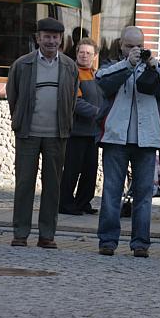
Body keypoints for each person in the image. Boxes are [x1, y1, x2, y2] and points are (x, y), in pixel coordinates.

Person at [95, 26, 160, 257]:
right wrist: (128, 65)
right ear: (121, 45)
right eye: (130, 46)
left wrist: (155, 65)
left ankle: (140, 243)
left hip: (147, 140)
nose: (135, 50)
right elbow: (101, 82)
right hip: (115, 138)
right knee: (112, 191)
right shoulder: (112, 65)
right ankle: (108, 241)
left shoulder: (151, 68)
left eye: (139, 46)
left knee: (144, 194)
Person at [6, 18, 80, 249]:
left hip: (57, 134)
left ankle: (47, 235)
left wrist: (65, 123)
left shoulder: (69, 66)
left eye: (55, 37)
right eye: (46, 36)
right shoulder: (22, 64)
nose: (51, 41)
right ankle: (20, 233)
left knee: (52, 186)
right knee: (24, 183)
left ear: (61, 40)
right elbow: (13, 96)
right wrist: (20, 120)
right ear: (38, 38)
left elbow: (72, 101)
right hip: (28, 133)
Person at [59, 38, 104, 216]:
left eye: (88, 53)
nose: (84, 56)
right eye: (81, 52)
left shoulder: (95, 74)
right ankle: (65, 204)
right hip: (76, 131)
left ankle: (83, 202)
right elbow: (75, 102)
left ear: (95, 56)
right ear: (76, 53)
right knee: (72, 170)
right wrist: (98, 112)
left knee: (89, 170)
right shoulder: (73, 73)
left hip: (93, 132)